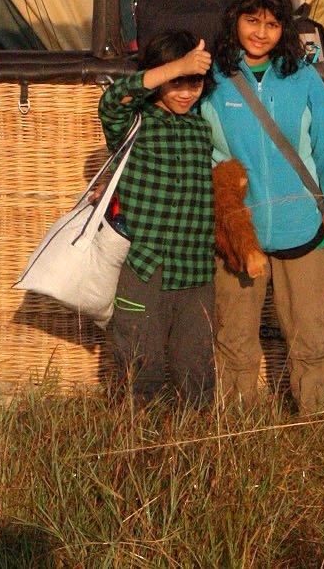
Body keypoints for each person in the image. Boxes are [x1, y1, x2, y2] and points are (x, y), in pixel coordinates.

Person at [203, 0, 324, 412]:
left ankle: (318, 425)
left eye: (273, 24)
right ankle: (236, 431)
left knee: (311, 341)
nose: (261, 33)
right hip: (240, 236)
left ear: (285, 29)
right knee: (234, 342)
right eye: (252, 20)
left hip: (305, 232)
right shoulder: (212, 80)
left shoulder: (304, 79)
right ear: (234, 19)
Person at [97, 29, 218, 404]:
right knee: (140, 367)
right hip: (144, 267)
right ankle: (134, 435)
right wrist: (177, 66)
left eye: (194, 82)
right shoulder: (134, 124)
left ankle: (195, 437)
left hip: (196, 270)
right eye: (175, 82)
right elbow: (111, 100)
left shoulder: (201, 130)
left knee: (197, 372)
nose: (185, 92)